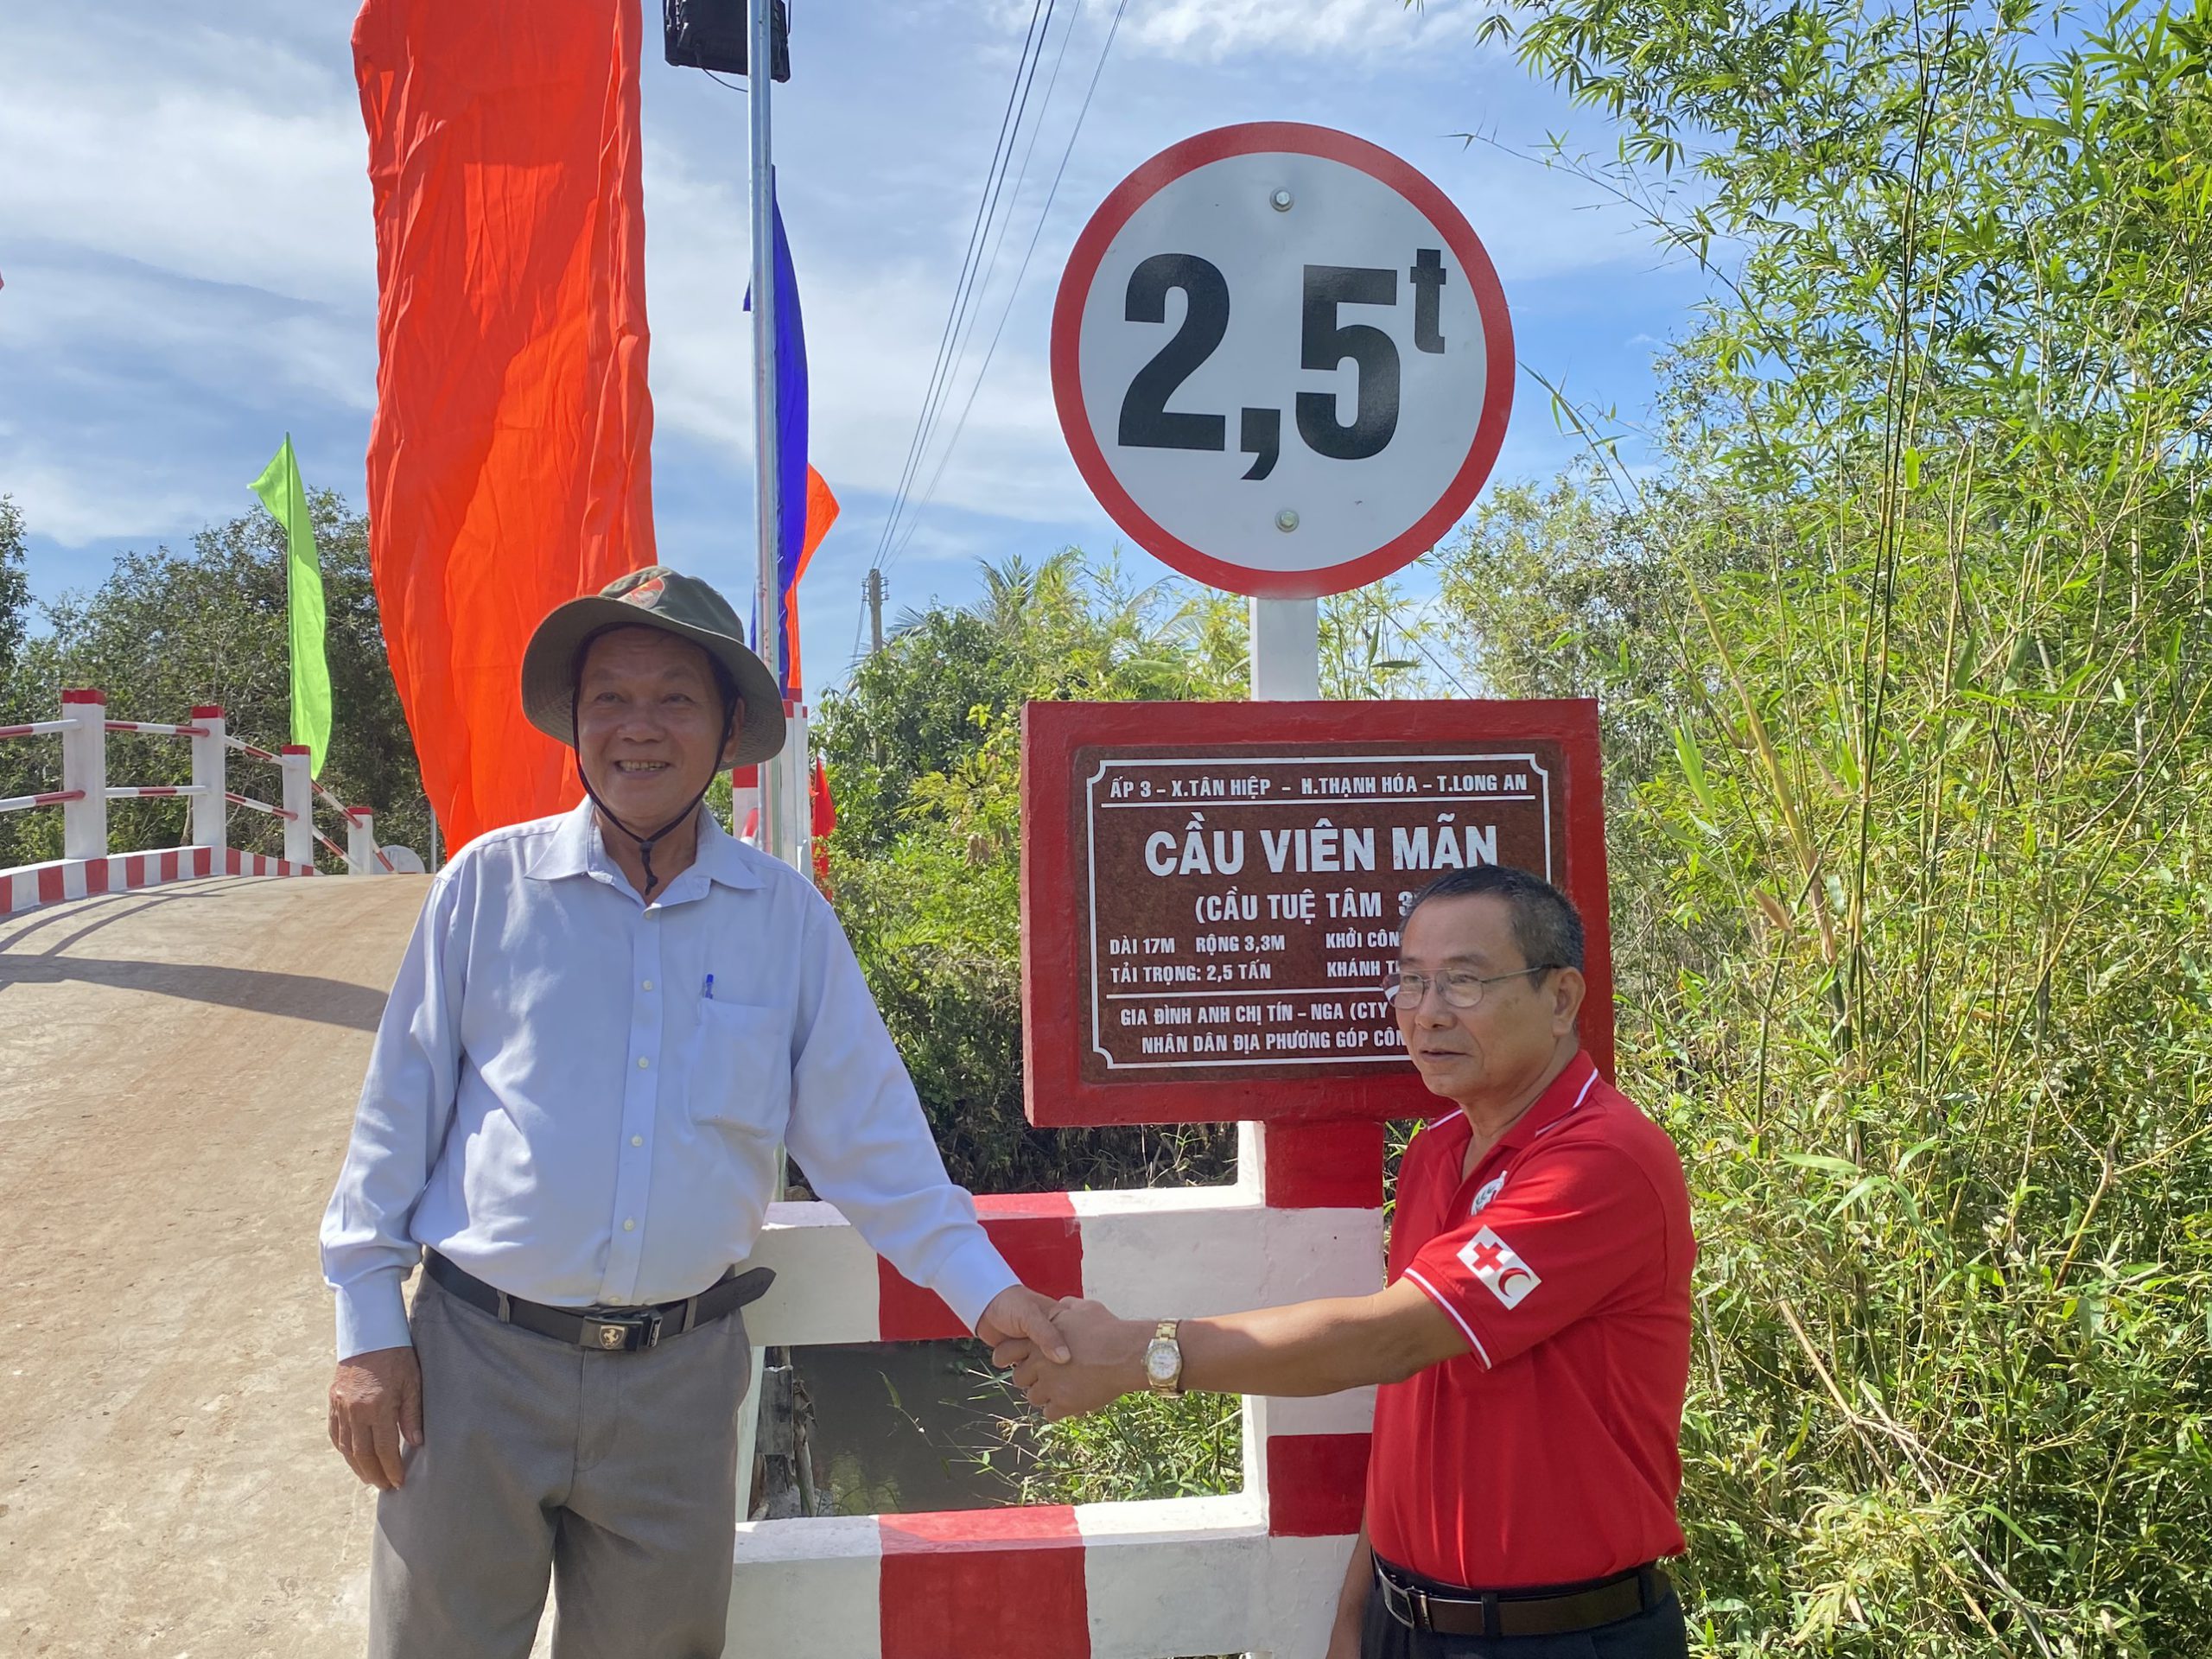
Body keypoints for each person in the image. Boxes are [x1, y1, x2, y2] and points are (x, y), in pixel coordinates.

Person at [321, 566, 1070, 1659]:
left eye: (674, 698)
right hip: (474, 1365)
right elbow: (393, 1121)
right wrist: (367, 1333)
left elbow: (876, 1149)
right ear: (575, 724)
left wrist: (989, 1294)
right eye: (609, 698)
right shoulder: (488, 890)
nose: (638, 727)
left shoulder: (785, 922)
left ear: (727, 731)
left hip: (677, 1386)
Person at [1000, 865, 1694, 1658]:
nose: (1428, 1012)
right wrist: (1359, 1608)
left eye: (1464, 982)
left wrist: (1139, 1355)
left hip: (1561, 1635)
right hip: (1404, 1622)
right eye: (1411, 982)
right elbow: (1412, 1392)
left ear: (1561, 998)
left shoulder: (1601, 1163)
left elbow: (1385, 1339)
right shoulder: (1438, 1153)